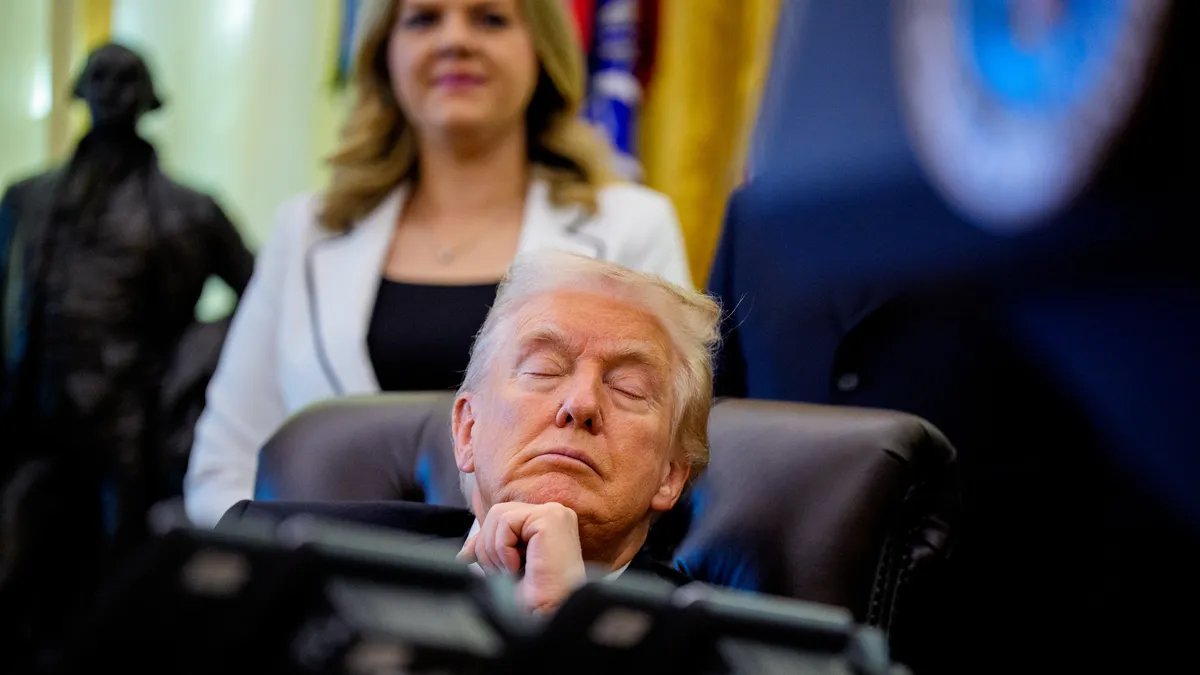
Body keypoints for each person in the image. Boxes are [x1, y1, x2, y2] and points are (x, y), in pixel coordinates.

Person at [185, 0, 691, 527]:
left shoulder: (632, 227)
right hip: (321, 586)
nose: (455, 41)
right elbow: (226, 465)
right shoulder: (306, 231)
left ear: (541, 50)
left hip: (544, 591)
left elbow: (666, 453)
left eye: (490, 19)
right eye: (424, 19)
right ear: (384, 54)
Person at [223, 250, 721, 613]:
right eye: (544, 370)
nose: (582, 404)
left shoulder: (721, 648)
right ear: (466, 430)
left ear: (671, 477)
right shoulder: (273, 557)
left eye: (630, 389)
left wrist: (569, 629)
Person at [0, 42, 254, 670]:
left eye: (127, 78)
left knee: (120, 583)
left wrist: (192, 357)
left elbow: (262, 300)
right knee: (21, 570)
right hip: (35, 418)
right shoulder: (25, 200)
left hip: (130, 424)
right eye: (101, 77)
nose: (113, 90)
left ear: (150, 96)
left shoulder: (189, 209)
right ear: (79, 90)